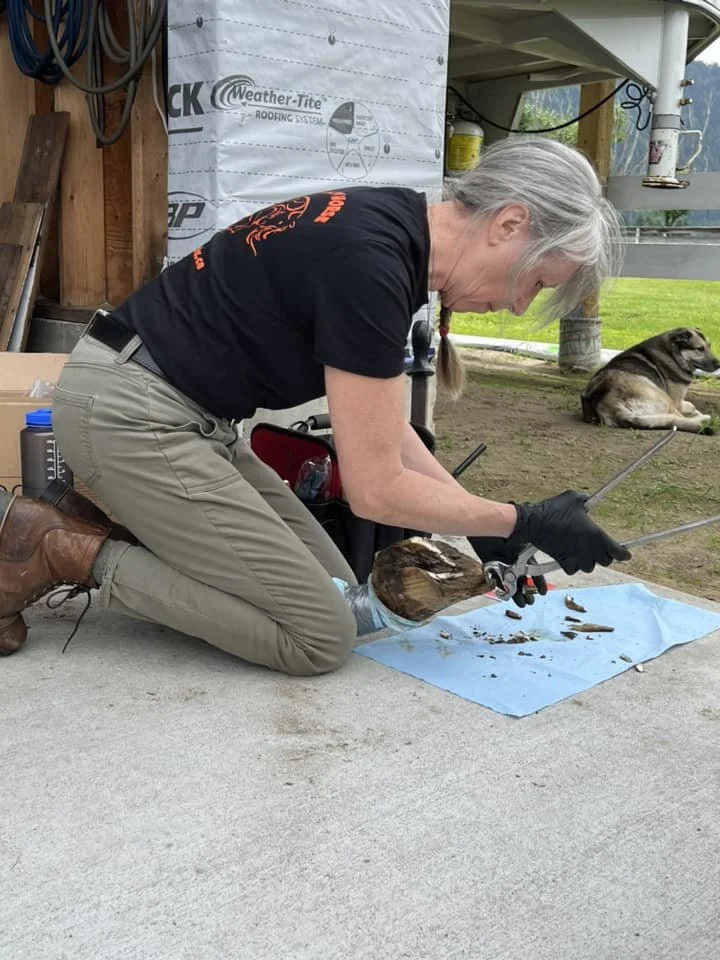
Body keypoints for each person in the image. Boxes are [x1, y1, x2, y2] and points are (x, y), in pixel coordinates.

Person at [0, 136, 631, 670]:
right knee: (319, 636)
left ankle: (156, 539)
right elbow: (375, 488)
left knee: (344, 594)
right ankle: (66, 547)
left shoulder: (389, 231)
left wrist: (477, 525)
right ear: (510, 224)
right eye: (538, 281)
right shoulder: (370, 265)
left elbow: (386, 434)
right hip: (129, 413)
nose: (521, 305)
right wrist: (519, 520)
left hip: (183, 416)